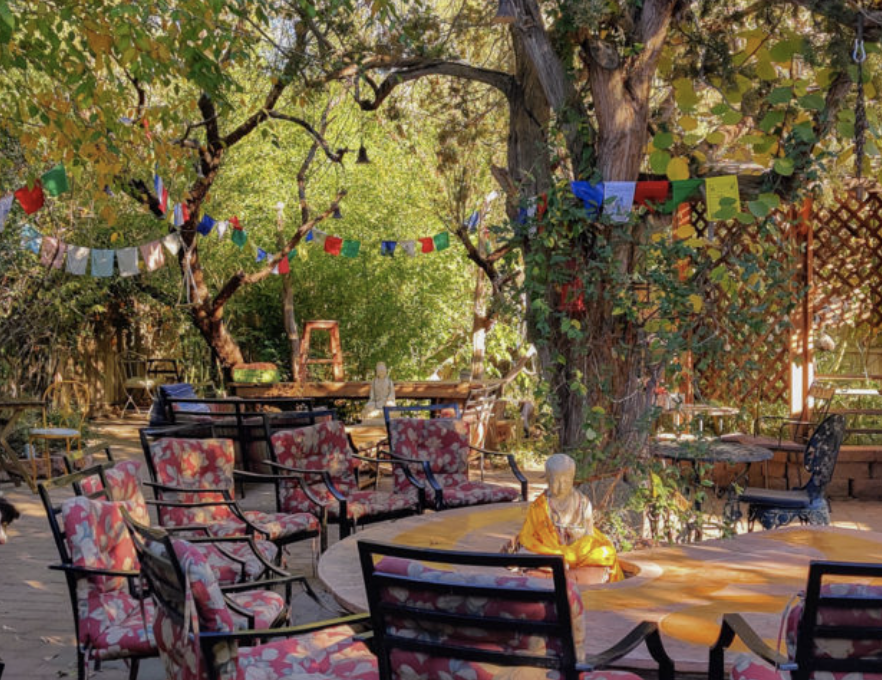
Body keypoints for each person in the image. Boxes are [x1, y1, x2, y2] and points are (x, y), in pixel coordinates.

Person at [516, 453, 623, 581]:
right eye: (555, 481)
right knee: (526, 555)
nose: (561, 487)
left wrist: (577, 536)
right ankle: (564, 577)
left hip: (578, 553)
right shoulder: (539, 507)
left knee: (604, 553)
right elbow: (528, 537)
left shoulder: (583, 503)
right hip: (550, 551)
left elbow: (589, 535)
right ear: (547, 479)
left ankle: (552, 578)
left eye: (566, 481)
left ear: (572, 478)